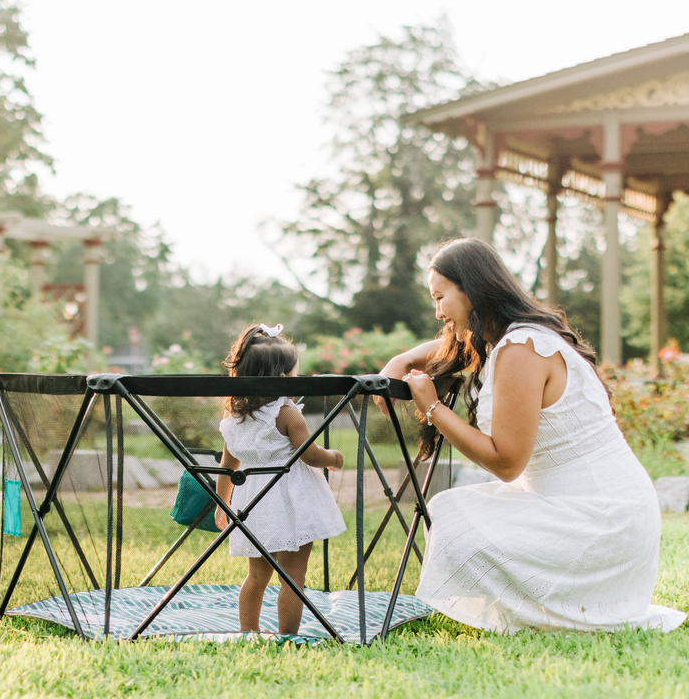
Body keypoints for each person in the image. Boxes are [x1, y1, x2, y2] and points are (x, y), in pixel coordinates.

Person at [378, 237, 686, 633]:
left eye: (440, 298)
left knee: (454, 520)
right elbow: (451, 347)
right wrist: (402, 359)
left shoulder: (521, 349)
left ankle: (573, 601)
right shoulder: (518, 338)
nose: (438, 312)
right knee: (451, 510)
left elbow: (506, 463)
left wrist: (433, 409)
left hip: (603, 519)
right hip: (588, 508)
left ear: (470, 291)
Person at [215, 322, 347, 634]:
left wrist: (223, 502)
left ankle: (249, 632)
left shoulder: (235, 419)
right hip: (292, 500)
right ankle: (287, 636)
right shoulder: (287, 413)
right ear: (280, 378)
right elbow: (309, 454)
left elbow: (227, 464)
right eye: (294, 375)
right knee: (293, 576)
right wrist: (334, 458)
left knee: (256, 576)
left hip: (253, 504)